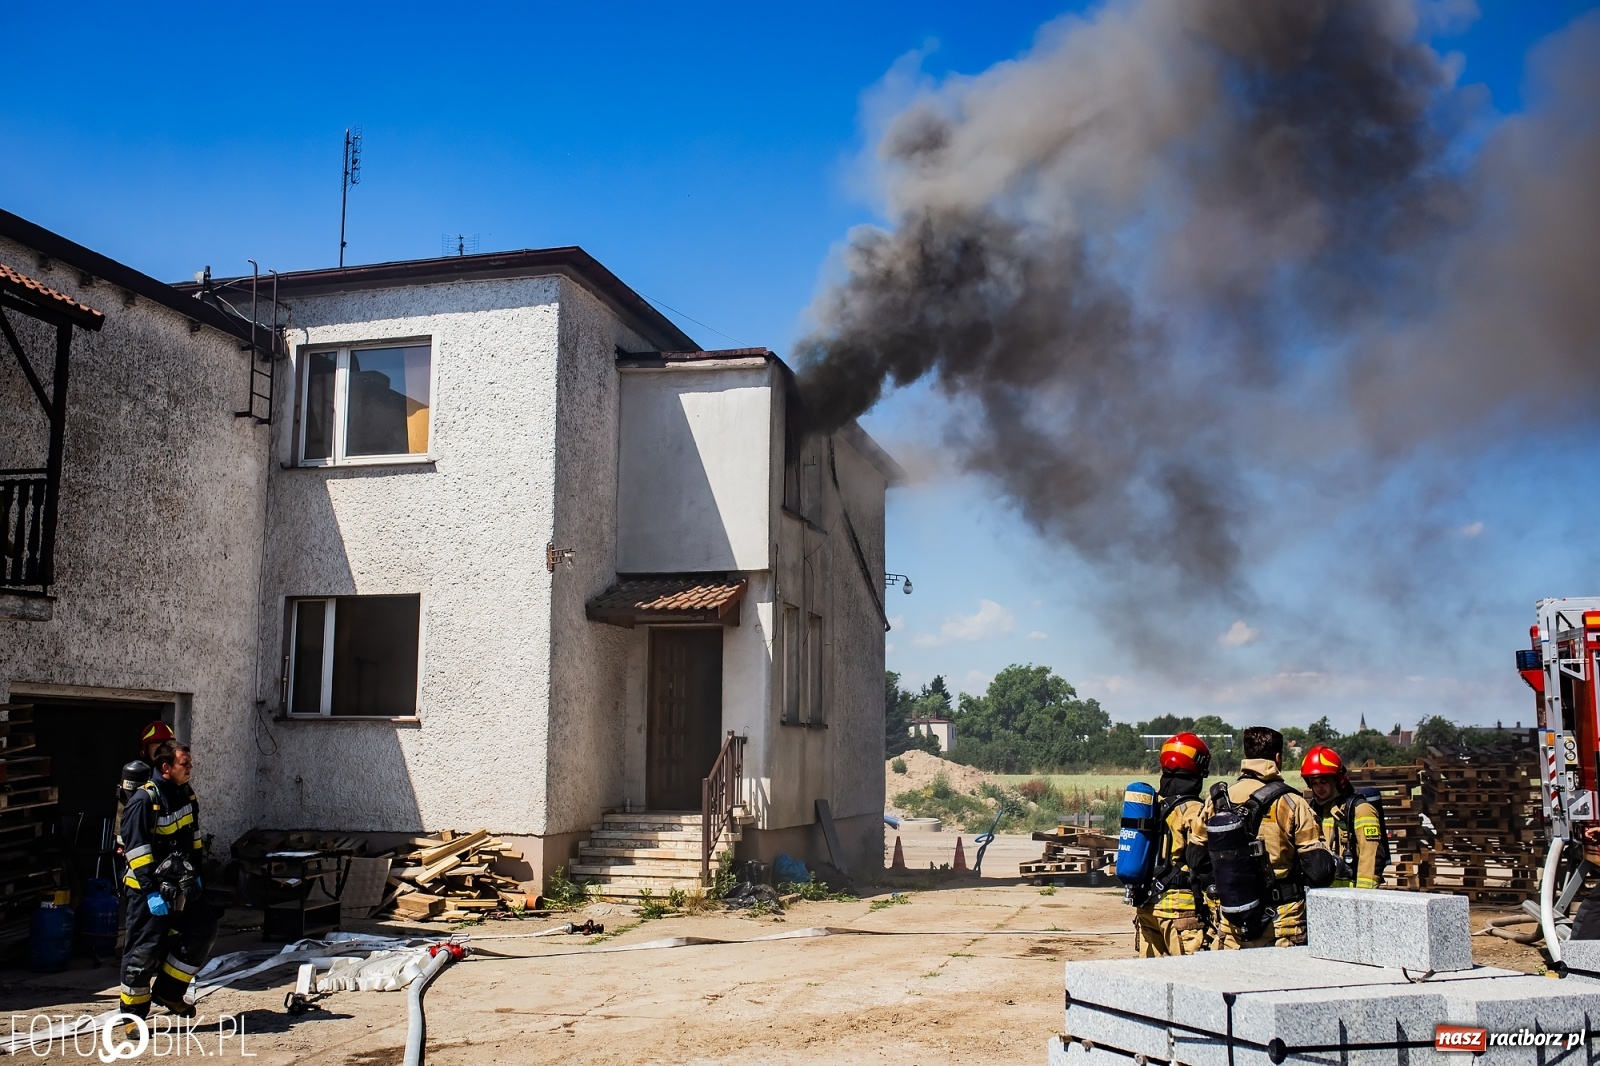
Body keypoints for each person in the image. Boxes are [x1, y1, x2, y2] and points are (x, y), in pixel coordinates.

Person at [1189, 726, 1337, 948]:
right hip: (1282, 925)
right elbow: (1319, 872)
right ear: (1278, 758)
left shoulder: (1217, 801)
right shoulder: (1292, 803)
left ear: (1246, 756)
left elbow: (1196, 859)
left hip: (1233, 923)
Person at [120, 740, 215, 1020]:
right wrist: (150, 892)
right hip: (147, 891)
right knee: (144, 951)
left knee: (203, 929)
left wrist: (197, 877)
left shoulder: (186, 795)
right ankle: (133, 1015)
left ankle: (169, 993)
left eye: (189, 763)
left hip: (182, 887)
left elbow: (193, 839)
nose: (190, 768)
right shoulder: (143, 801)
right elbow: (136, 851)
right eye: (184, 764)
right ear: (166, 768)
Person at [1132, 732, 1214, 956]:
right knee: (1191, 981)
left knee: (1153, 984)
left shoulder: (1150, 805)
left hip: (1147, 906)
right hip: (1181, 912)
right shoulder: (1193, 810)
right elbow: (1203, 862)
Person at [1301, 745, 1381, 889]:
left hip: (1351, 898)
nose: (1319, 788)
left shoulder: (1360, 810)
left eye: (1324, 781)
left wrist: (1364, 899)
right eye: (1314, 783)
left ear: (1336, 780)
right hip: (1322, 897)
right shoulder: (1313, 811)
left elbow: (1370, 860)